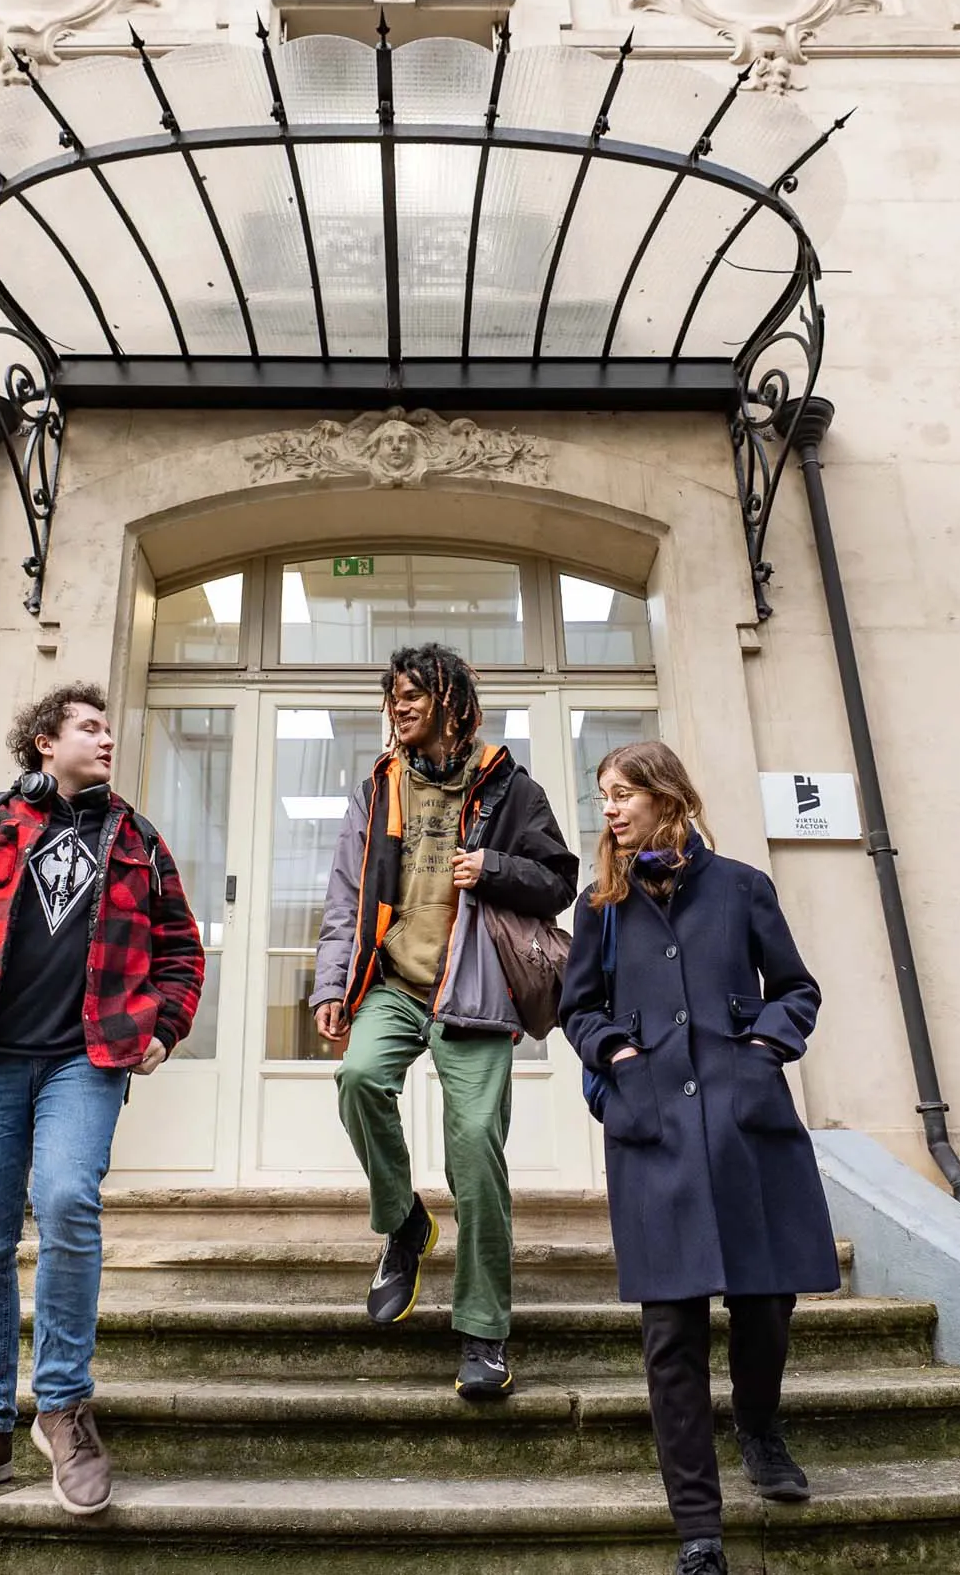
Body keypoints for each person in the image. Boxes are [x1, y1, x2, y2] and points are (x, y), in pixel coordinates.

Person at [0, 681, 205, 1516]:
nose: (106, 740)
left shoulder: (136, 836)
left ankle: (62, 1407)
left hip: (86, 1057)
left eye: (109, 728)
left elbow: (180, 946)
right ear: (42, 743)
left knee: (66, 1201)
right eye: (90, 728)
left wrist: (165, 1027)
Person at [557, 740, 841, 1575]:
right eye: (603, 795)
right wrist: (618, 1058)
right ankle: (699, 1529)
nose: (609, 808)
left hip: (746, 1126)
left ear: (667, 795)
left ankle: (758, 1425)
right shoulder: (599, 905)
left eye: (623, 793)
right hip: (653, 1134)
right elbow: (579, 1010)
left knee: (767, 1303)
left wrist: (761, 1051)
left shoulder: (744, 886)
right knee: (671, 1331)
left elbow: (797, 988)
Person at [310, 642, 579, 1400]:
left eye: (412, 694)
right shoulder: (379, 785)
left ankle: (485, 1331)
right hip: (393, 983)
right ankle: (403, 1223)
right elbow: (344, 893)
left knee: (475, 1154)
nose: (398, 706)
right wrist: (332, 982)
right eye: (392, 695)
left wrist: (492, 867)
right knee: (359, 1077)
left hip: (474, 990)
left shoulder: (508, 786)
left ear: (452, 701)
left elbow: (560, 881)